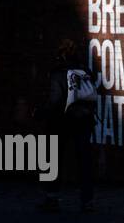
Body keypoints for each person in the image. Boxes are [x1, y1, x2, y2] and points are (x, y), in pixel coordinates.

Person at [36, 38, 97, 212]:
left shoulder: (58, 73)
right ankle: (87, 201)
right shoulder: (85, 70)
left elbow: (55, 101)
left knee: (53, 158)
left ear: (61, 54)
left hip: (62, 122)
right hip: (84, 120)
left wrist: (41, 112)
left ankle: (51, 198)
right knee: (84, 160)